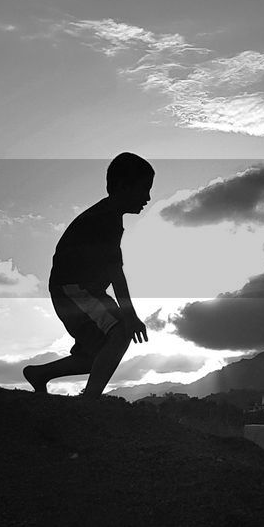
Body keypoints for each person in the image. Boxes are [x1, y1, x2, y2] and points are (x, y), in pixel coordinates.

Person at [24, 152, 153, 397]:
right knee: (122, 330)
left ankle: (39, 374)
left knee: (97, 355)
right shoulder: (105, 220)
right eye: (144, 189)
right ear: (124, 187)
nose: (147, 197)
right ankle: (91, 400)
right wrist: (131, 315)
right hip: (74, 290)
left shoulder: (108, 217)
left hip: (77, 291)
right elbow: (116, 272)